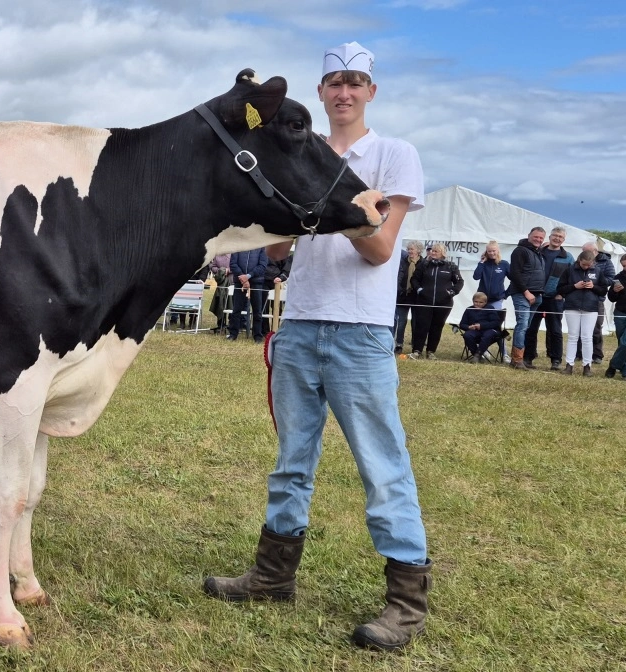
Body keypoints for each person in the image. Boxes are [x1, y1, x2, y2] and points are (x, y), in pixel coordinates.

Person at [204, 42, 431, 652]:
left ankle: (406, 603)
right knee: (291, 462)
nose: (344, 92)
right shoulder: (298, 152)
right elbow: (277, 250)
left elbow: (380, 249)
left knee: (383, 466)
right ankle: (272, 577)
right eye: (334, 81)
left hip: (360, 332)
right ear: (322, 91)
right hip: (300, 324)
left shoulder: (392, 155)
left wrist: (338, 207)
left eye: (355, 81)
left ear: (371, 92)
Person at [524, 227, 573, 370]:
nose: (557, 238)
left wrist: (562, 294)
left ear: (564, 240)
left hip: (555, 298)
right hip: (536, 296)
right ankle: (528, 357)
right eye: (555, 236)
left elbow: (571, 278)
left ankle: (556, 360)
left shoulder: (568, 257)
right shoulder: (538, 251)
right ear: (550, 237)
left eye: (561, 237)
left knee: (556, 330)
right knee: (531, 328)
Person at [557, 250, 611, 376]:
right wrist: (574, 286)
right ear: (579, 260)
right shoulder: (569, 270)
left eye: (589, 265)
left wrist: (593, 287)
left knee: (587, 337)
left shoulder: (598, 271)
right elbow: (560, 289)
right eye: (584, 264)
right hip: (572, 306)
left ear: (593, 262)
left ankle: (587, 366)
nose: (586, 267)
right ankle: (569, 365)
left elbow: (603, 291)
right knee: (572, 336)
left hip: (591, 308)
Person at [408, 243, 462, 359]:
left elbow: (459, 282)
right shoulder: (424, 265)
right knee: (421, 326)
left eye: (436, 251)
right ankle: (417, 350)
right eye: (432, 251)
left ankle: (431, 351)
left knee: (437, 327)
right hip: (424, 301)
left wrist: (451, 292)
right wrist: (419, 290)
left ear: (442, 253)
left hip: (444, 303)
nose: (433, 253)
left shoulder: (450, 266)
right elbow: (414, 279)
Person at [506, 227, 546, 369]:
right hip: (522, 293)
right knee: (522, 325)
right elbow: (515, 273)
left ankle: (516, 358)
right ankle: (517, 360)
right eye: (536, 237)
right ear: (529, 236)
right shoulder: (520, 251)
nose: (538, 240)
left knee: (527, 326)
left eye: (541, 238)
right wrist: (526, 292)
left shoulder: (538, 253)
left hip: (536, 294)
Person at [574, 242, 616, 364]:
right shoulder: (577, 262)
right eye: (583, 250)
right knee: (580, 327)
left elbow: (610, 279)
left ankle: (597, 354)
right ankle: (579, 353)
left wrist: (595, 283)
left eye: (587, 251)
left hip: (597, 300)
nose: (584, 253)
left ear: (596, 252)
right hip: (580, 299)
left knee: (596, 328)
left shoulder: (606, 262)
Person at [472, 240, 511, 362]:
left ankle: (504, 353)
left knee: (496, 326)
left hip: (496, 300)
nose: (492, 253)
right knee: (482, 325)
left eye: (494, 251)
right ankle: (484, 350)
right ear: (486, 252)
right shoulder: (484, 264)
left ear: (498, 251)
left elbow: (514, 280)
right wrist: (481, 262)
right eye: (489, 251)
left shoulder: (504, 264)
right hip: (482, 301)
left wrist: (506, 294)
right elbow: (476, 276)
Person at [228, 247, 268, 342]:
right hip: (240, 282)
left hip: (256, 282)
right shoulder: (238, 246)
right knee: (236, 309)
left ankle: (257, 335)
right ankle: (233, 334)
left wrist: (248, 276)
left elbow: (262, 265)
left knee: (257, 311)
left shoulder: (262, 247)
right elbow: (233, 264)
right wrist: (243, 278)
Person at [394, 241, 423, 354]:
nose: (410, 251)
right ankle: (399, 344)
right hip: (403, 296)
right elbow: (399, 277)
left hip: (417, 297)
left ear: (418, 251)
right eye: (409, 249)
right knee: (401, 322)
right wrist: (399, 289)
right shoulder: (402, 262)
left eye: (412, 249)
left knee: (416, 322)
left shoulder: (423, 263)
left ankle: (415, 346)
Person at [458, 292, 502, 363]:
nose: (478, 304)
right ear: (473, 301)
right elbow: (462, 324)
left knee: (488, 335)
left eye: (481, 302)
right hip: (475, 331)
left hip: (489, 330)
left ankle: (477, 355)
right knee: (467, 335)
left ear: (485, 302)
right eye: (476, 302)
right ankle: (477, 355)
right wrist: (469, 327)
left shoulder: (490, 308)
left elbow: (496, 323)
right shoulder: (469, 309)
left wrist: (481, 326)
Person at [606, 255, 626, 379]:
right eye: (623, 266)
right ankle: (623, 368)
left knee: (625, 343)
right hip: (620, 313)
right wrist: (615, 291)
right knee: (621, 342)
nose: (625, 268)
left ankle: (613, 365)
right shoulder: (618, 277)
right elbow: (611, 298)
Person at [263, 253, 291, 335]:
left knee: (277, 308)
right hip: (263, 281)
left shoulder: (280, 251)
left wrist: (281, 278)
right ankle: (265, 331)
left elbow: (286, 268)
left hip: (277, 282)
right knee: (264, 307)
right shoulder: (261, 249)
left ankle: (277, 330)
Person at [208, 253, 232, 333]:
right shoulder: (217, 255)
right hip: (220, 283)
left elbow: (237, 265)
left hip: (232, 282)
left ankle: (231, 325)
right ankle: (220, 324)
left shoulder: (234, 254)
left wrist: (228, 270)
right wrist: (220, 271)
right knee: (220, 303)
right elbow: (212, 266)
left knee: (231, 304)